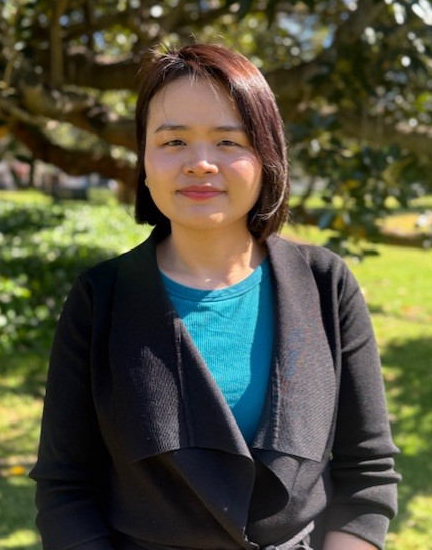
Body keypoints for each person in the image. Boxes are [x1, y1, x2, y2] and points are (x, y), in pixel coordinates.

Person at [30, 43, 400, 550]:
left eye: (229, 141)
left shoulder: (325, 285)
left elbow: (367, 476)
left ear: (267, 155)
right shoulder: (100, 299)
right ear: (145, 160)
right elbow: (65, 489)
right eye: (174, 141)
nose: (200, 163)